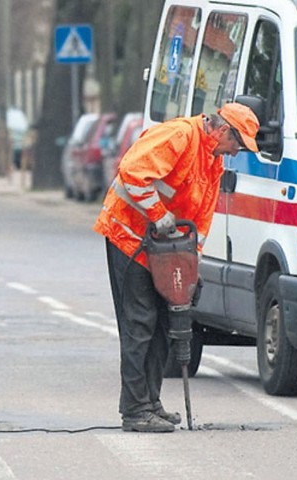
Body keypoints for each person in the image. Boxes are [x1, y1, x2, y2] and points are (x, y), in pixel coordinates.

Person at [93, 102, 260, 433]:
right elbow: (132, 171)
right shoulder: (179, 136)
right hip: (129, 240)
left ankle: (151, 403)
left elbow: (201, 217)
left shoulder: (212, 160)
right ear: (224, 131)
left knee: (162, 326)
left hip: (162, 250)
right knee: (139, 325)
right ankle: (135, 410)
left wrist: (191, 259)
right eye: (237, 145)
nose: (236, 152)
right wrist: (157, 214)